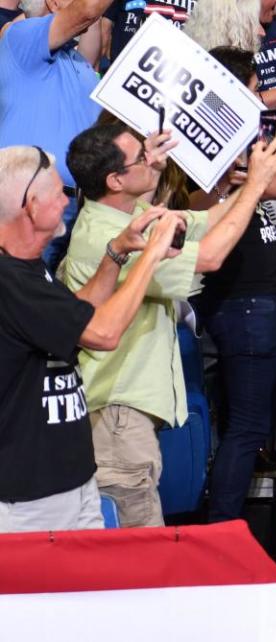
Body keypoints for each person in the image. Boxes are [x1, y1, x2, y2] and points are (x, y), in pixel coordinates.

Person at [59, 122, 276, 527]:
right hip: (115, 417)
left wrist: (248, 186)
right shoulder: (106, 235)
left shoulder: (132, 214)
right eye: (142, 157)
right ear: (115, 179)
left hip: (126, 416)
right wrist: (254, 187)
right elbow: (210, 257)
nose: (153, 157)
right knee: (136, 556)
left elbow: (204, 223)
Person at [0, 144, 184, 533]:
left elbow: (76, 316)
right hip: (29, 496)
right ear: (32, 206)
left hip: (74, 478)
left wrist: (116, 253)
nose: (69, 201)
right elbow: (102, 333)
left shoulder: (29, 271)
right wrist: (151, 254)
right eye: (60, 193)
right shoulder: (8, 281)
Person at [189, 46, 276, 523]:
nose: (257, 101)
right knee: (246, 429)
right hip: (245, 305)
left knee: (244, 425)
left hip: (255, 302)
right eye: (250, 91)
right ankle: (223, 531)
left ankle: (222, 527)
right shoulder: (217, 153)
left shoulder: (238, 149)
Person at [0, 0, 115, 270]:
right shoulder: (21, 38)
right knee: (19, 303)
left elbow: (89, 18)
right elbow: (86, 11)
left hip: (79, 206)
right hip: (28, 204)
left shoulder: (78, 61)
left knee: (52, 307)